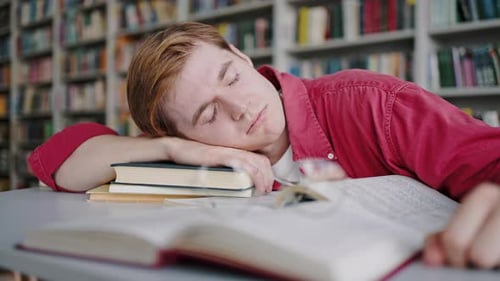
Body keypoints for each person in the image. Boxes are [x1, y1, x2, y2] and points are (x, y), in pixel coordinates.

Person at [29, 22, 500, 269]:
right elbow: (61, 163)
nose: (238, 106)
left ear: (242, 56)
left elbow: (489, 160)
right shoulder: (192, 155)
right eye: (208, 115)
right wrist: (178, 152)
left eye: (231, 76)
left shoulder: (370, 102)